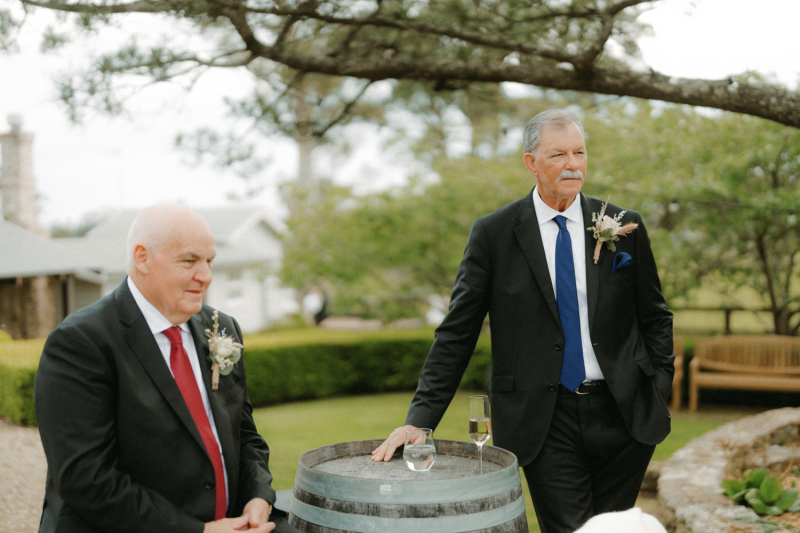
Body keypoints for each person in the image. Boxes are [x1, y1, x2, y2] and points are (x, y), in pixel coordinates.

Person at [372, 109, 675, 533]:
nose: (573, 164)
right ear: (531, 162)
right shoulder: (494, 234)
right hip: (543, 418)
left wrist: (658, 385)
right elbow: (457, 332)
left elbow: (655, 315)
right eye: (558, 155)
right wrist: (421, 418)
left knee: (613, 528)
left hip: (625, 411)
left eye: (579, 153)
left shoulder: (624, 225)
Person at [35, 204, 298, 533]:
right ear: (143, 258)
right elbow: (87, 480)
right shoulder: (81, 343)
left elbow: (244, 435)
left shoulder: (221, 328)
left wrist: (258, 497)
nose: (205, 275)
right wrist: (198, 531)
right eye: (189, 261)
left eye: (209, 261)